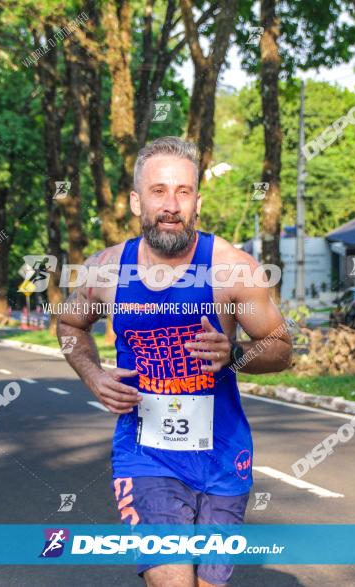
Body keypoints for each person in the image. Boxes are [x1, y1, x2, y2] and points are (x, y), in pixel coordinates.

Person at [57, 137, 292, 587]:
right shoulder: (105, 269)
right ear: (135, 201)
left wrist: (236, 355)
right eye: (159, 191)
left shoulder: (233, 269)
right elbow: (69, 327)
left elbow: (280, 346)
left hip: (223, 458)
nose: (171, 205)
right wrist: (92, 374)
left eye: (183, 192)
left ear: (198, 201)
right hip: (146, 456)